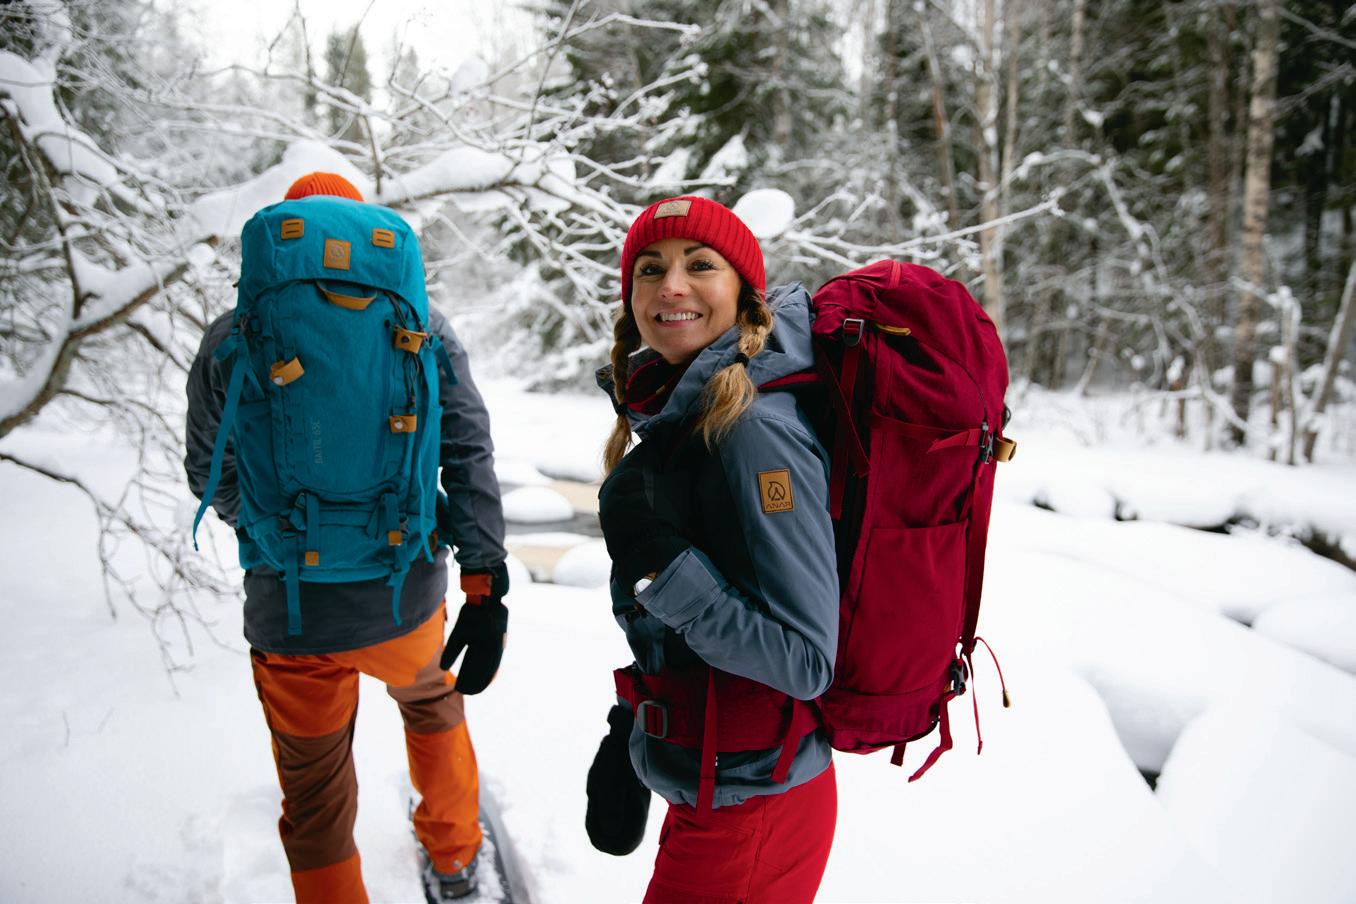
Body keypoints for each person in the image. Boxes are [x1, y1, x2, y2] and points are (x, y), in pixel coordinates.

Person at [184, 172, 508, 904]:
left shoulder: (235, 334)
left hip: (290, 611)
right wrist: (483, 572)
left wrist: (270, 532)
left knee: (314, 791)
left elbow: (208, 469)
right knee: (430, 705)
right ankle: (455, 861)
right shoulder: (422, 324)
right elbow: (467, 448)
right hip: (404, 594)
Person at [592, 196, 840, 904]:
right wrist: (633, 725)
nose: (671, 287)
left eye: (700, 265)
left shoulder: (756, 428)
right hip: (716, 781)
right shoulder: (689, 409)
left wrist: (662, 569)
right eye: (649, 269)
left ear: (745, 294)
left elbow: (806, 662)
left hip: (756, 809)